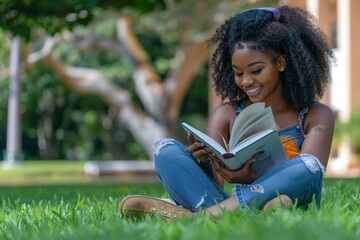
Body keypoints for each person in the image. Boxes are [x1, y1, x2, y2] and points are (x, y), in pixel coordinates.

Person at [119, 5, 335, 220]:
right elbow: (214, 184)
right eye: (238, 73)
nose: (246, 81)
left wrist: (252, 177)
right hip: (243, 204)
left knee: (308, 165)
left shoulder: (316, 114)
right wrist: (204, 162)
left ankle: (200, 218)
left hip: (297, 200)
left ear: (280, 63)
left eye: (256, 70)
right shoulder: (226, 114)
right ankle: (247, 215)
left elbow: (312, 176)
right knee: (164, 150)